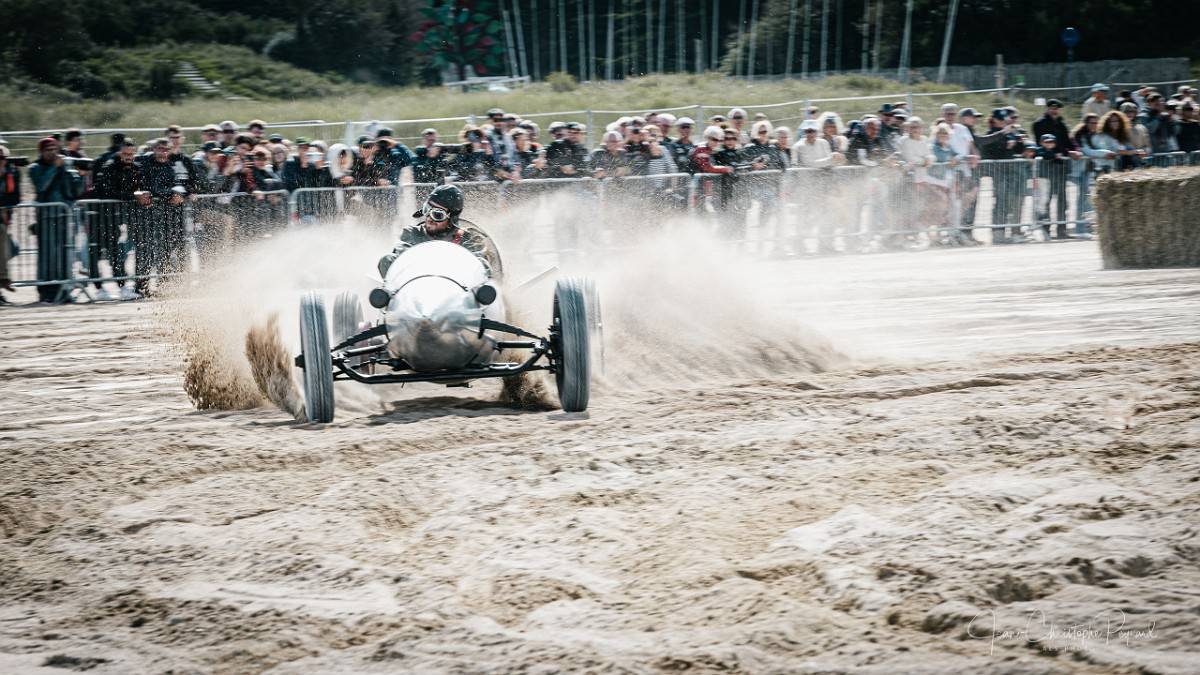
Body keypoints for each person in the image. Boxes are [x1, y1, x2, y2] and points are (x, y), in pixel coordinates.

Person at [376, 185, 490, 278]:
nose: (429, 219)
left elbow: (482, 267)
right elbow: (398, 260)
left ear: (451, 219)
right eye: (427, 210)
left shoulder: (468, 238)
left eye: (437, 215)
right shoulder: (412, 234)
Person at [29, 137, 83, 302]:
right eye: (48, 150)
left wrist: (78, 174)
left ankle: (64, 289)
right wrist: (55, 167)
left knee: (65, 255)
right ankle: (46, 291)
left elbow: (75, 191)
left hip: (65, 217)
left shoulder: (63, 166)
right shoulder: (35, 168)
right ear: (41, 152)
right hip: (46, 218)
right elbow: (41, 186)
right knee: (48, 257)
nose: (52, 153)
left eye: (54, 149)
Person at [92, 140, 142, 299]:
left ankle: (125, 285)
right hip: (104, 217)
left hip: (124, 216)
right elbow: (107, 191)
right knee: (107, 252)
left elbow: (138, 187)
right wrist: (133, 196)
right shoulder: (109, 167)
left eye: (131, 154)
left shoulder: (136, 168)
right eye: (126, 154)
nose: (129, 157)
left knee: (121, 252)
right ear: (120, 153)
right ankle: (103, 287)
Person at [1034, 134, 1071, 239]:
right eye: (1047, 142)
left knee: (1062, 204)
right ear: (1041, 143)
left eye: (1052, 142)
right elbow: (1043, 155)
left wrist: (1057, 156)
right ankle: (1046, 230)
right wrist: (1055, 156)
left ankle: (1061, 230)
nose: (1050, 144)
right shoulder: (1039, 150)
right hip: (1045, 181)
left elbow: (1066, 158)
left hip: (1059, 179)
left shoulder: (1059, 150)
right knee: (1045, 205)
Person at [0, 146, 20, 303]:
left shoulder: (10, 174)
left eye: (2, 159)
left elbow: (15, 198)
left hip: (3, 222)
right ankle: (3, 278)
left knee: (11, 249)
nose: (1, 162)